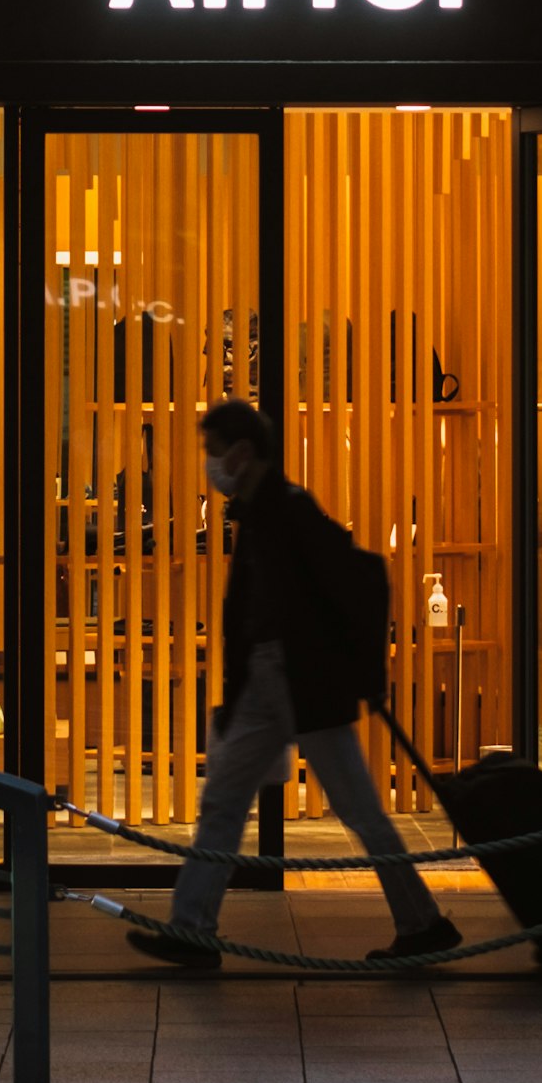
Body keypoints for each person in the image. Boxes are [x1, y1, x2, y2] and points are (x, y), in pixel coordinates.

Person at [133, 397, 461, 972]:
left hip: (301, 683)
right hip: (281, 683)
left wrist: (362, 670)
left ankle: (423, 922)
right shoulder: (262, 511)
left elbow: (363, 578)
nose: (210, 465)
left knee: (348, 809)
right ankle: (193, 929)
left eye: (213, 452)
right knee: (228, 803)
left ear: (240, 452)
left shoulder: (286, 510)